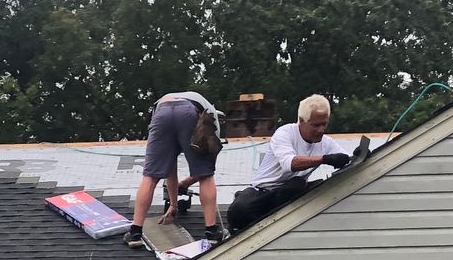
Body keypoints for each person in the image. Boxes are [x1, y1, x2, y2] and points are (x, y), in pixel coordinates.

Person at [225, 93, 354, 234]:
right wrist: (325, 159)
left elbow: (347, 159)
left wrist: (358, 156)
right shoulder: (284, 134)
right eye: (316, 125)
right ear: (301, 121)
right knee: (238, 212)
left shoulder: (326, 143)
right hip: (262, 194)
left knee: (297, 185)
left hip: (288, 193)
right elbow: (290, 164)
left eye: (325, 124)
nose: (321, 130)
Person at [126, 91, 226, 249]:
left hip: (162, 111)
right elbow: (207, 165)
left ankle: (134, 232)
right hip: (189, 111)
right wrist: (178, 197)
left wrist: (174, 204)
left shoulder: (163, 105)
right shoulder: (210, 114)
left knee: (150, 176)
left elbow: (169, 165)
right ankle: (212, 231)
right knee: (206, 176)